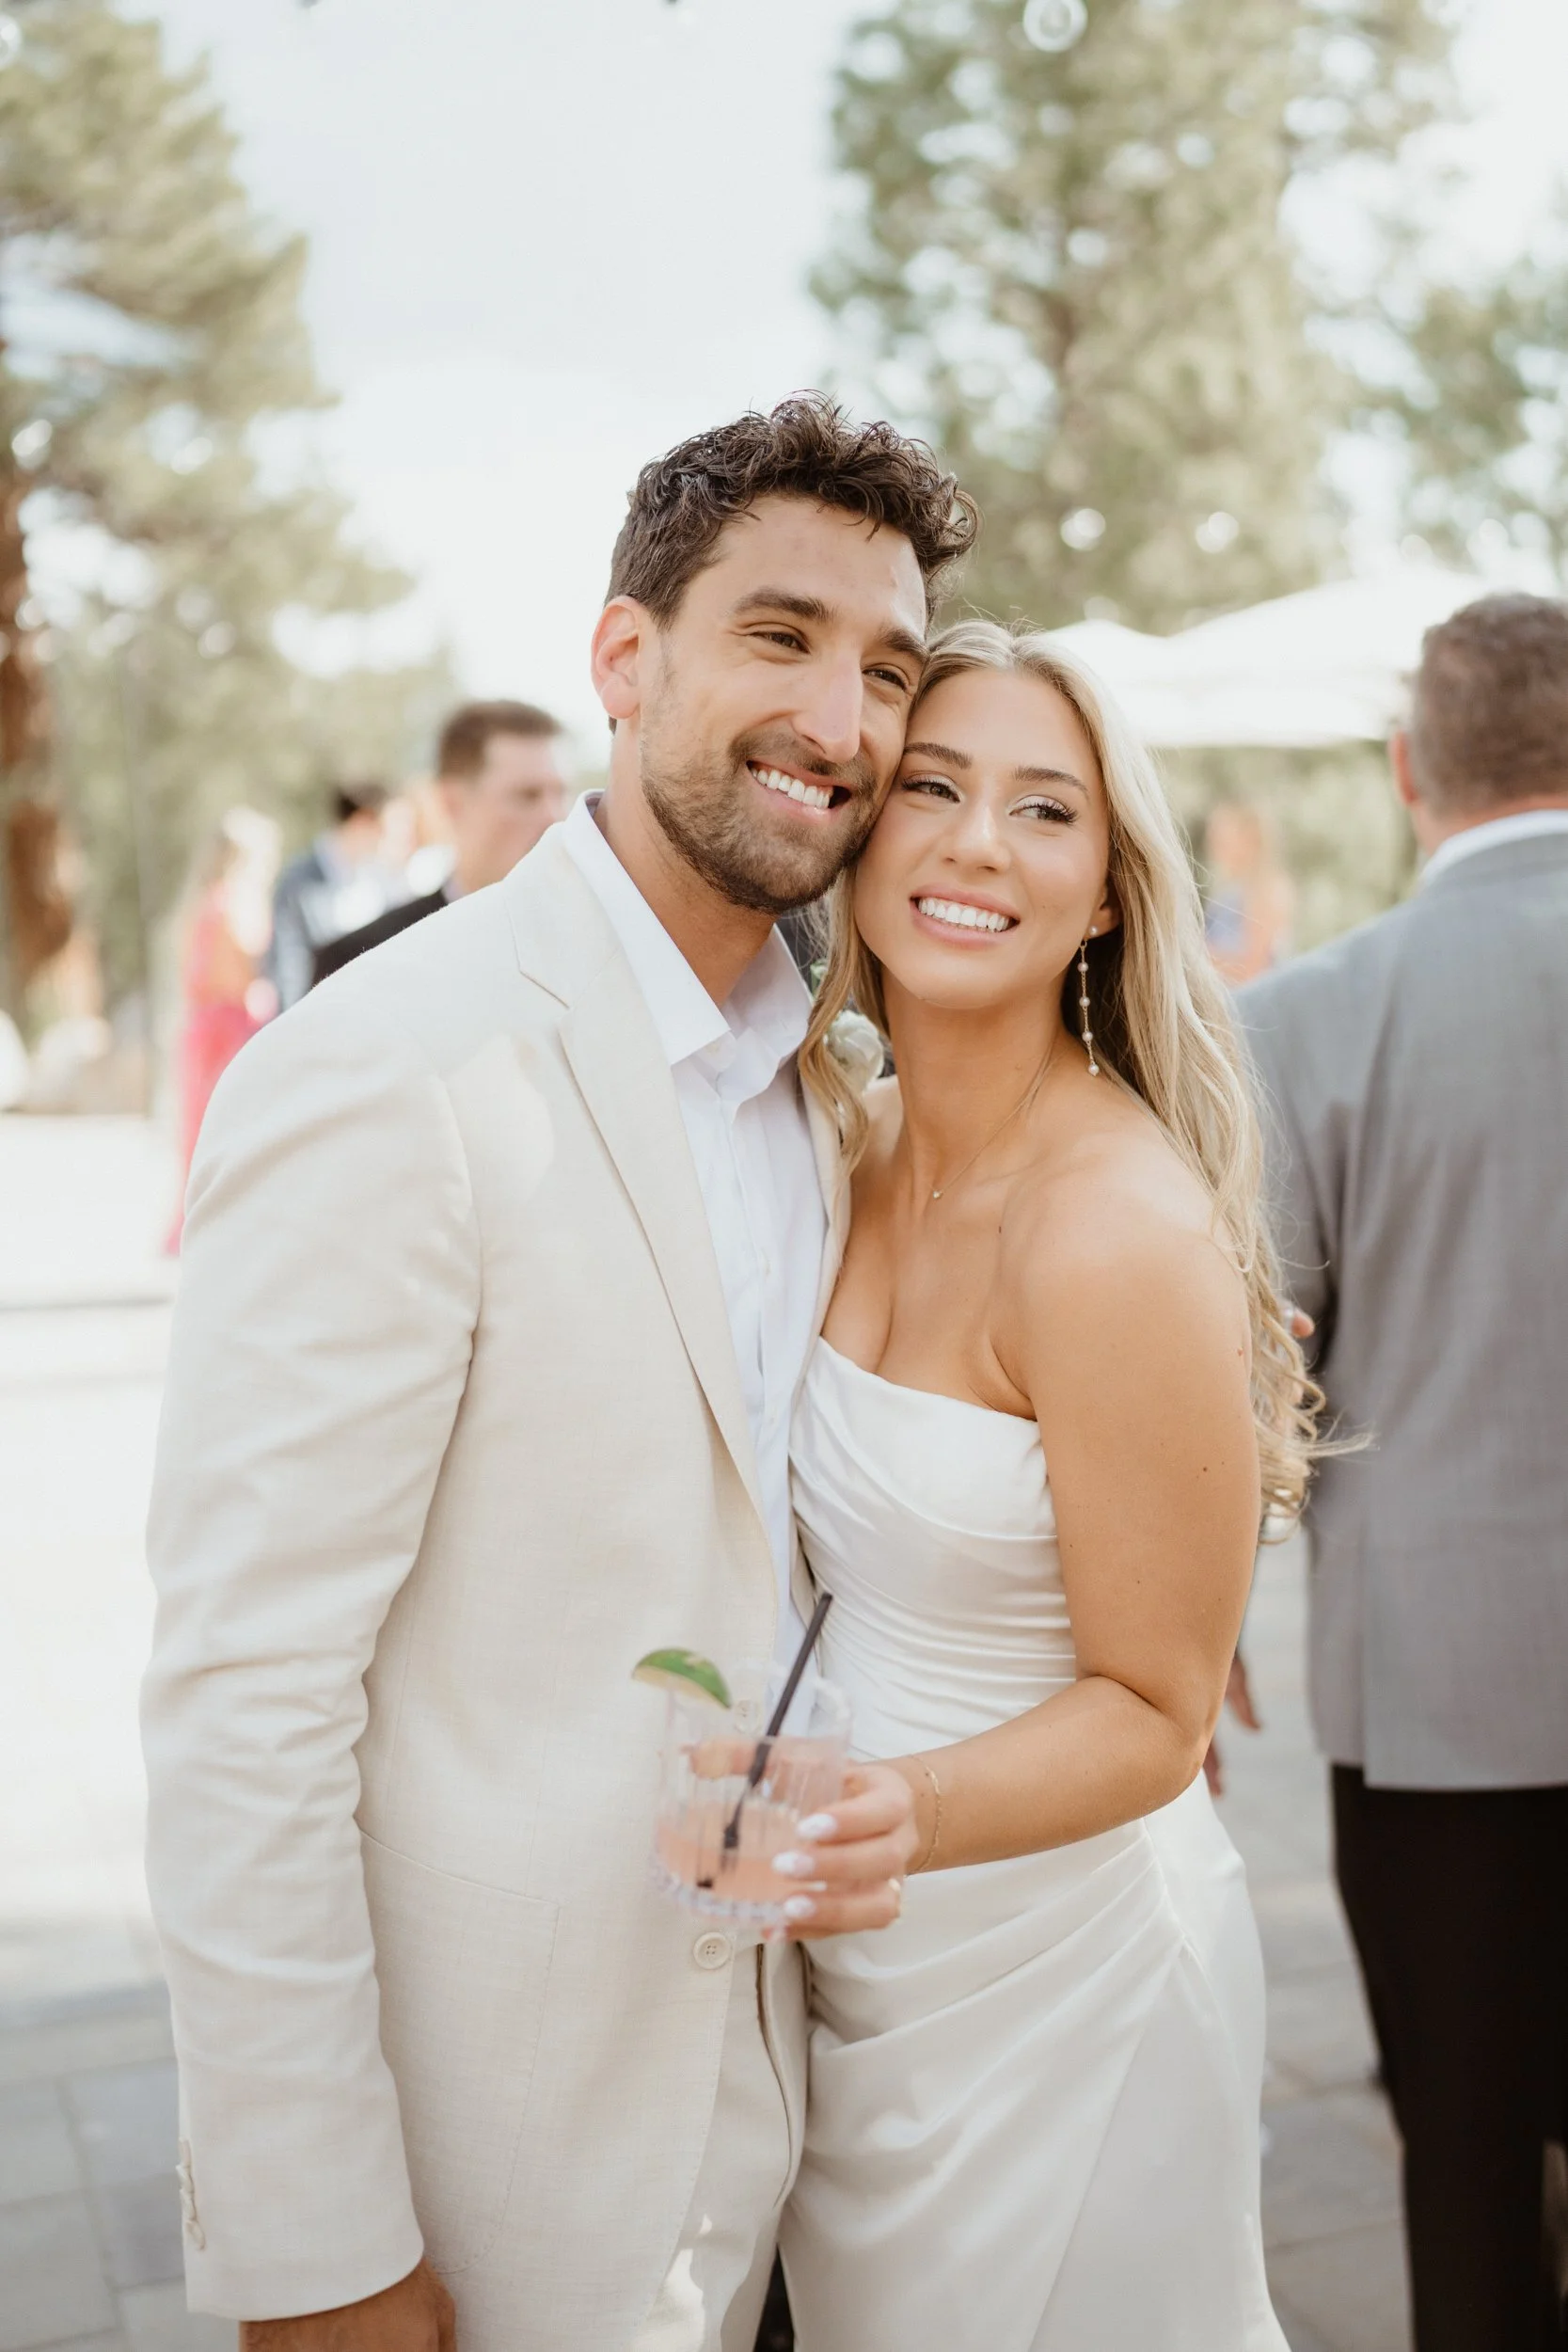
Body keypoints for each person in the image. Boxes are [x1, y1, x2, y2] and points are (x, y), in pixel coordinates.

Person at [140, 395, 974, 2352]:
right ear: (623, 656)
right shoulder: (388, 1066)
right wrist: (315, 2248)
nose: (840, 722)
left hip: (803, 2166)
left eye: (883, 671)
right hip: (498, 2182)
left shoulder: (831, 1087)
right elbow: (244, 1697)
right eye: (776, 637)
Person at [771, 620, 1312, 2349]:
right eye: (929, 786)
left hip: (1064, 1983)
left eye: (1042, 809)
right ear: (861, 835)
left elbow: (1161, 1707)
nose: (974, 843)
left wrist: (895, 1816)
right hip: (861, 1971)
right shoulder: (830, 1150)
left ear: (1103, 897)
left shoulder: (1108, 1232)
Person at [1238, 591, 1568, 2352]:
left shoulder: (1308, 1012)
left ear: (1404, 772)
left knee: (1459, 2162)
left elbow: (1252, 1360)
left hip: (1430, 1701)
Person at [310, 701, 569, 985]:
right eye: (527, 796)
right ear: (452, 803)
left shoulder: (587, 941)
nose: (554, 817)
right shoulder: (362, 962)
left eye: (559, 794)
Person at [165, 809, 279, 1250]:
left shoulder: (201, 902)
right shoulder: (233, 904)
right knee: (230, 1130)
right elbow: (246, 972)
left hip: (203, 1028)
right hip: (229, 1031)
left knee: (200, 1132)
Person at [266, 778, 402, 1009]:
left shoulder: (381, 882)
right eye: (387, 827)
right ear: (362, 822)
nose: (394, 837)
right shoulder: (299, 882)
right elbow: (288, 964)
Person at [1203, 797, 1294, 984]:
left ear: (1250, 837)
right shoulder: (1228, 890)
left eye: (1223, 835)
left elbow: (1253, 968)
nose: (1213, 841)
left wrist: (1193, 958)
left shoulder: (1267, 888)